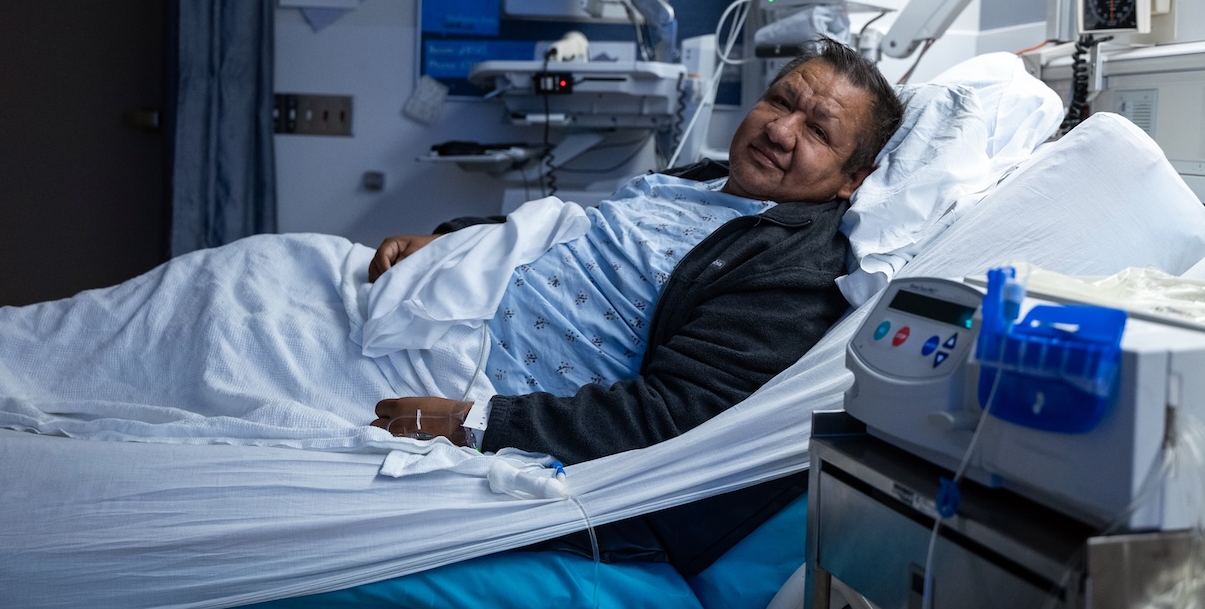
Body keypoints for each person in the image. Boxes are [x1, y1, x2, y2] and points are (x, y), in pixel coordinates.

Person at [366, 38, 904, 571]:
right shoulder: (702, 178)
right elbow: (576, 232)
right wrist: (454, 241)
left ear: (852, 180)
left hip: (463, 382)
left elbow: (675, 414)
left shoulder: (791, 270)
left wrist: (478, 422)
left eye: (817, 131)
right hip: (439, 305)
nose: (780, 130)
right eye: (781, 101)